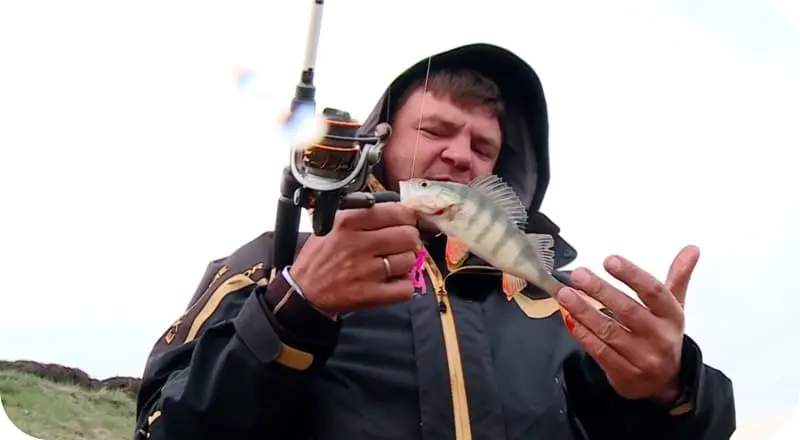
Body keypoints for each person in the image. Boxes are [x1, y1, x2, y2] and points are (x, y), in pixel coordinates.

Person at [133, 43, 736, 440]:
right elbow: (164, 425)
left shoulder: (555, 300)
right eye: (436, 130)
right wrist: (291, 312)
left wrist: (675, 391)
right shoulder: (274, 261)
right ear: (381, 139)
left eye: (484, 148)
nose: (459, 155)